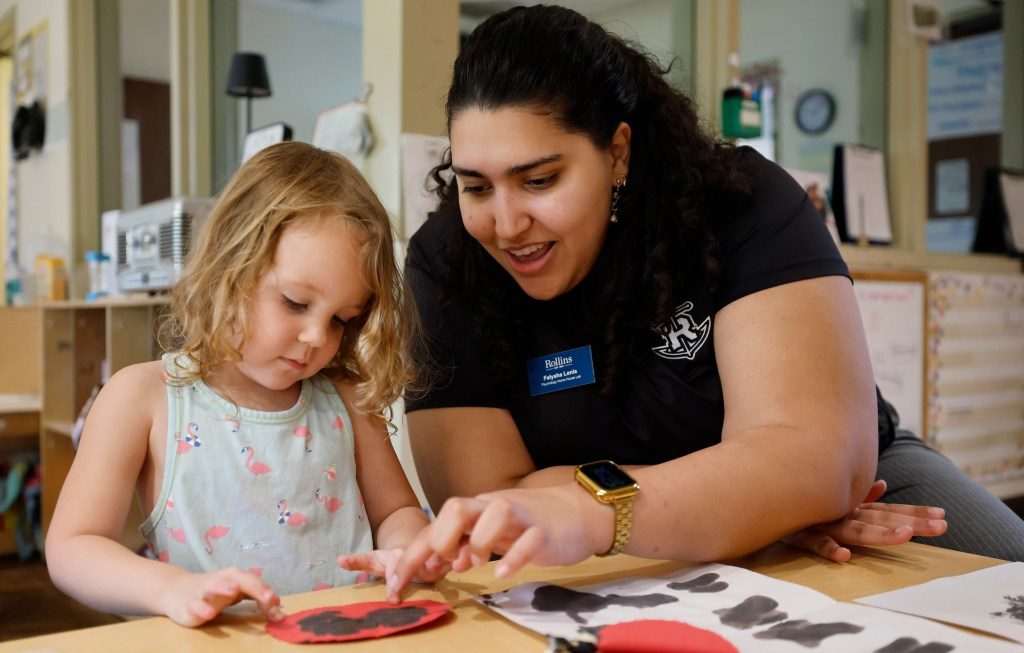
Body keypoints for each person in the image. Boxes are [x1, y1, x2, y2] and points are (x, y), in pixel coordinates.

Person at [383, 5, 1024, 589]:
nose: (506, 223)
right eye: (475, 187)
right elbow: (492, 500)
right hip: (636, 534)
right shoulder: (447, 259)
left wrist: (758, 503)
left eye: (540, 179)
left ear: (618, 152)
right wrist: (746, 508)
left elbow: (814, 455)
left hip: (855, 503)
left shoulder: (742, 204)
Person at [45, 142, 443, 627]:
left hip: (347, 646)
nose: (318, 337)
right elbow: (74, 546)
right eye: (295, 303)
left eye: (342, 318)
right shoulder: (142, 399)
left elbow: (396, 512)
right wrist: (171, 589)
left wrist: (405, 550)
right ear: (227, 268)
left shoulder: (343, 396)